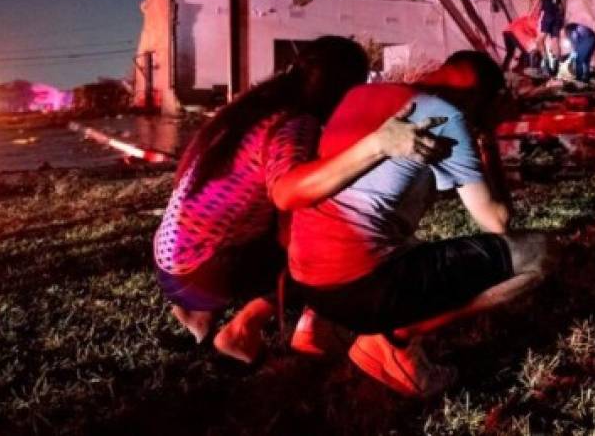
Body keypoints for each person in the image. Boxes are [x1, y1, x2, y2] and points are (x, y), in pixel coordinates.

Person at [153, 36, 446, 364]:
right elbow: (288, 192)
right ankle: (243, 332)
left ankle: (198, 316)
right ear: (341, 88)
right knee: (320, 248)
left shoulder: (252, 109)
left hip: (170, 264)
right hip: (202, 272)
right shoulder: (294, 123)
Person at [284, 51, 553, 397]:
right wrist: (489, 140)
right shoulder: (444, 115)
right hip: (363, 289)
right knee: (538, 253)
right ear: (479, 96)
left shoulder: (361, 94)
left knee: (394, 233)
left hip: (308, 281)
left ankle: (315, 325)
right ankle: (391, 339)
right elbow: (496, 220)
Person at [535, 0, 565, 76]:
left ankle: (547, 65)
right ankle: (556, 69)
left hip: (547, 13)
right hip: (557, 15)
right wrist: (562, 17)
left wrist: (532, 12)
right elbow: (563, 4)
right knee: (555, 41)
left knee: (539, 41)